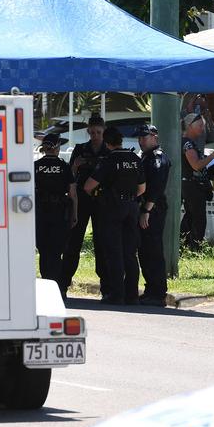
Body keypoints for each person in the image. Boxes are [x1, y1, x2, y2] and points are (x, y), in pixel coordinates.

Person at [84, 126, 145, 305]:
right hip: (132, 206)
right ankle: (132, 294)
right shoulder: (134, 158)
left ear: (107, 143)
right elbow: (142, 188)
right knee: (130, 252)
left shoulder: (108, 160)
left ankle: (117, 294)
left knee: (113, 252)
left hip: (112, 208)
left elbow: (88, 186)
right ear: (121, 141)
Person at [61, 114, 109, 296]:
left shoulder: (108, 151)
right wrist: (75, 166)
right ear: (88, 131)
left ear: (104, 132)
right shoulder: (80, 149)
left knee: (102, 243)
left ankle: (107, 286)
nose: (95, 135)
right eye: (93, 132)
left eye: (99, 132)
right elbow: (69, 175)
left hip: (101, 201)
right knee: (73, 242)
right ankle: (63, 283)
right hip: (81, 200)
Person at [33, 132, 77, 289]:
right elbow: (72, 193)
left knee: (44, 251)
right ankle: (58, 287)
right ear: (57, 148)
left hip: (40, 213)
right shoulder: (64, 167)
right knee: (56, 251)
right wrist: (75, 214)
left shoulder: (35, 167)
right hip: (60, 213)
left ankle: (46, 285)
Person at [135, 123, 171, 307]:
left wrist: (146, 211)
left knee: (152, 250)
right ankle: (151, 290)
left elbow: (156, 188)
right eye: (139, 137)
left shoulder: (157, 158)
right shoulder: (146, 157)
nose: (141, 140)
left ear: (154, 136)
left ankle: (157, 293)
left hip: (153, 210)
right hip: (147, 209)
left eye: (145, 137)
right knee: (145, 251)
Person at [180, 113, 214, 247]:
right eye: (199, 126)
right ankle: (194, 246)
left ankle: (183, 244)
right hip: (192, 186)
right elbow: (196, 165)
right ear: (190, 126)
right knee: (198, 218)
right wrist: (213, 156)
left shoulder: (190, 143)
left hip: (191, 185)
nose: (202, 129)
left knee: (190, 216)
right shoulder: (187, 144)